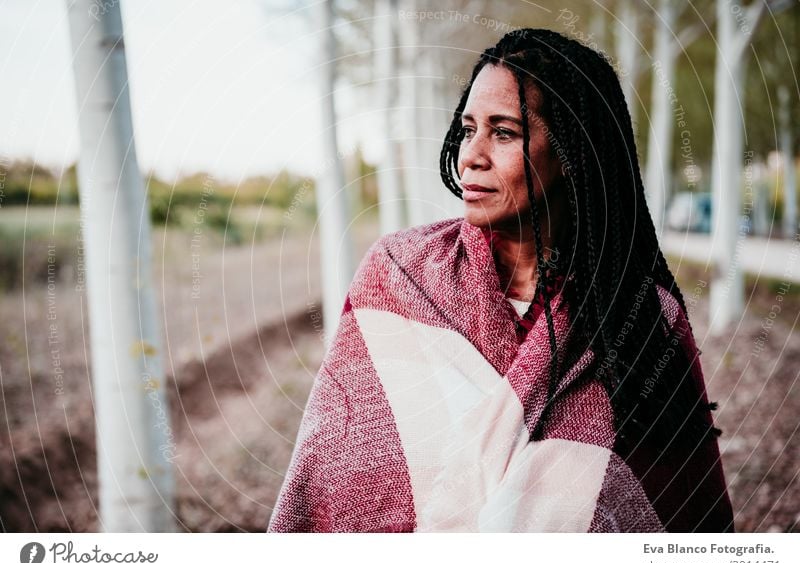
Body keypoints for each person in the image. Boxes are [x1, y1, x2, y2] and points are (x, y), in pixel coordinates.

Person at [268, 28, 734, 533]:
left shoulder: (637, 314)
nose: (472, 154)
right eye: (468, 130)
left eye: (504, 132)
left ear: (572, 152)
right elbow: (332, 479)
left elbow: (678, 501)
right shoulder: (400, 277)